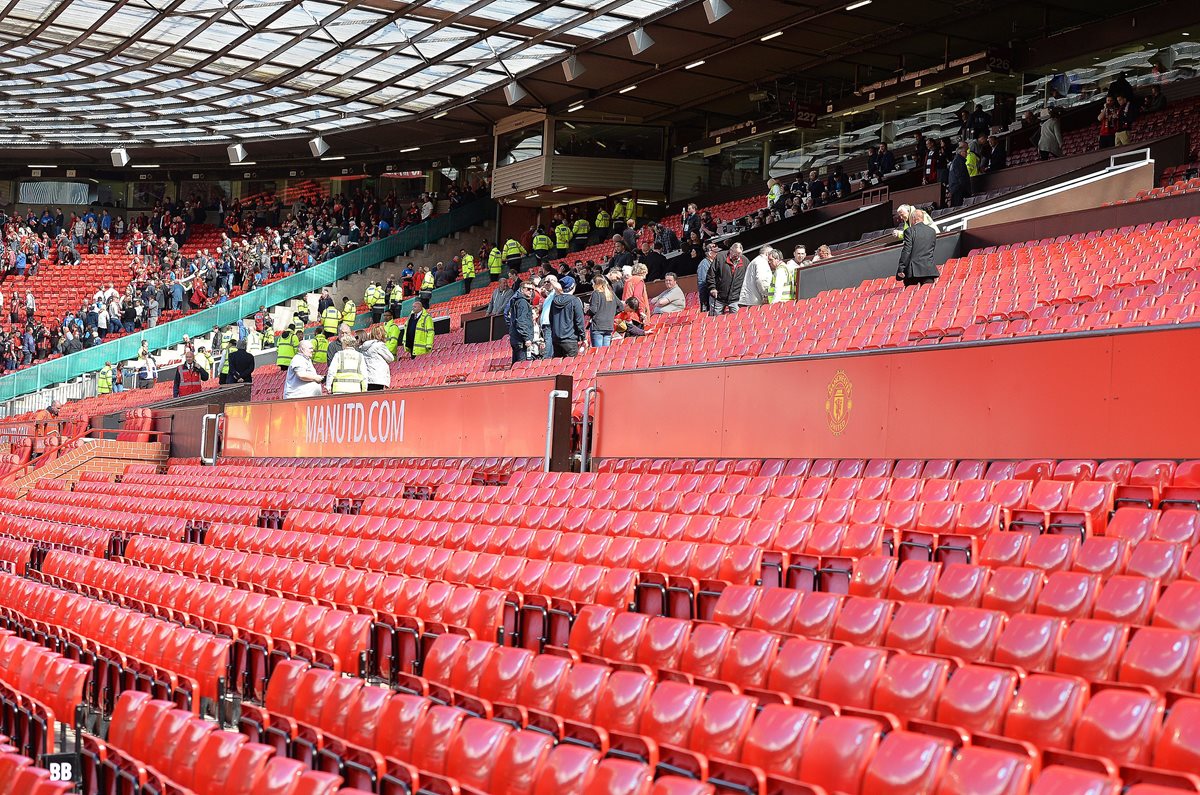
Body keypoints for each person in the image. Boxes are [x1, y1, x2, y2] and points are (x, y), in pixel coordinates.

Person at [897, 209, 940, 287]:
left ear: (913, 219)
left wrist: (901, 268)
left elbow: (907, 251)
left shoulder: (909, 231)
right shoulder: (932, 231)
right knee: (927, 294)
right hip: (928, 269)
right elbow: (931, 249)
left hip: (913, 270)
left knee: (911, 295)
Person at [548, 275, 586, 358]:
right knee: (570, 366)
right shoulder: (574, 300)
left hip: (556, 339)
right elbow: (579, 320)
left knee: (558, 367)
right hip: (570, 339)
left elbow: (551, 319)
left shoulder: (554, 301)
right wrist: (583, 337)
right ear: (572, 286)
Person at [706, 242, 747, 315]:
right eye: (735, 254)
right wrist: (712, 288)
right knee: (716, 320)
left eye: (739, 255)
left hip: (736, 298)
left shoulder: (744, 261)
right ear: (730, 250)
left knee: (737, 319)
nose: (737, 257)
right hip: (719, 296)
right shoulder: (720, 257)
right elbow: (711, 274)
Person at [506, 279, 536, 363]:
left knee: (517, 365)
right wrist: (527, 338)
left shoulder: (517, 301)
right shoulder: (522, 302)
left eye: (532, 289)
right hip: (520, 340)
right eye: (528, 289)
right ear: (522, 289)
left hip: (516, 338)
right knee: (522, 365)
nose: (531, 291)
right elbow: (521, 321)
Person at [360, 324, 396, 391]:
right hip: (378, 378)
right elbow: (391, 358)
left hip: (367, 378)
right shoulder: (379, 345)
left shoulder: (364, 346)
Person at [588, 275, 619, 348]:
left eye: (593, 284)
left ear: (596, 284)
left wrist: (587, 310)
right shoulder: (611, 293)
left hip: (598, 326)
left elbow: (593, 310)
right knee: (605, 352)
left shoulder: (596, 293)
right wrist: (611, 314)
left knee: (598, 352)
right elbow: (620, 306)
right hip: (608, 325)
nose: (592, 286)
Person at [948, 141, 971, 208]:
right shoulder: (959, 161)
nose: (967, 153)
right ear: (961, 153)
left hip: (955, 188)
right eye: (965, 152)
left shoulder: (954, 161)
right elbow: (961, 176)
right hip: (959, 189)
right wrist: (966, 189)